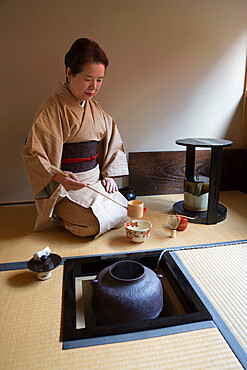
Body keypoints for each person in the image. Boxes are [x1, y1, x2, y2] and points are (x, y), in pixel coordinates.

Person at [22, 38, 129, 237]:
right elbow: (33, 153)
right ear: (70, 73)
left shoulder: (95, 108)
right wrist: (60, 177)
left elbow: (112, 138)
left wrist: (109, 175)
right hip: (66, 188)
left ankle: (81, 212)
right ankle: (58, 213)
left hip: (95, 182)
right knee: (92, 225)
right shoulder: (52, 109)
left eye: (99, 80)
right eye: (88, 79)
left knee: (125, 211)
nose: (94, 87)